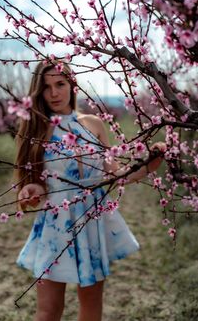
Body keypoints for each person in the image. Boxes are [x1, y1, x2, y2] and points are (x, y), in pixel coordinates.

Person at [15, 60, 166, 321]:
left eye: (60, 84)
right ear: (38, 93)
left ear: (72, 84)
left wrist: (148, 166)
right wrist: (30, 190)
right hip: (55, 226)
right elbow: (35, 184)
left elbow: (114, 175)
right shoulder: (39, 129)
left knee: (91, 305)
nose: (54, 93)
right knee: (48, 310)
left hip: (91, 223)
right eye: (46, 87)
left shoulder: (94, 124)